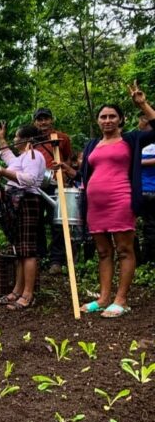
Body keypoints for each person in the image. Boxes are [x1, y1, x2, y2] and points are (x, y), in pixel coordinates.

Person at [79, 83, 155, 317]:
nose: (107, 120)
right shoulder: (92, 144)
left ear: (121, 120)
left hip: (120, 199)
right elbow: (86, 173)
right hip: (95, 205)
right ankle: (103, 299)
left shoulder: (131, 139)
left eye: (112, 116)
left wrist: (142, 103)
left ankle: (120, 299)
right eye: (103, 117)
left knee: (124, 249)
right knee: (103, 252)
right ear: (98, 120)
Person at [0, 123, 46, 310]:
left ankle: (28, 294)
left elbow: (30, 179)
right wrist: (1, 138)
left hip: (27, 200)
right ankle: (17, 290)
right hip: (16, 201)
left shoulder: (34, 155)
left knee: (28, 249)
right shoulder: (22, 156)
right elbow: (8, 157)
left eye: (17, 136)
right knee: (19, 249)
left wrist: (3, 173)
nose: (14, 139)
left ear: (27, 140)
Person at [33, 108, 74, 273]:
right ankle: (40, 256)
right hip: (35, 184)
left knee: (56, 221)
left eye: (46, 119)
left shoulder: (62, 137)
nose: (43, 123)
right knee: (36, 222)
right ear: (35, 122)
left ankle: (56, 259)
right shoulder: (32, 139)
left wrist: (65, 174)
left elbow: (68, 157)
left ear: (52, 120)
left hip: (55, 183)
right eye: (39, 119)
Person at [140, 113, 155, 264]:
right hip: (141, 188)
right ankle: (144, 258)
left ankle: (148, 259)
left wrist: (139, 163)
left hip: (150, 188)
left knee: (150, 225)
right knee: (148, 224)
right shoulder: (140, 143)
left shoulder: (143, 144)